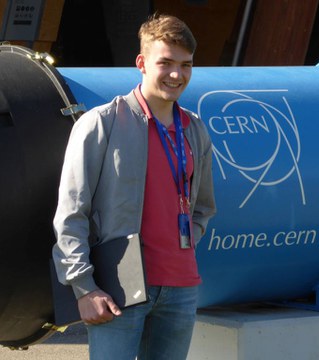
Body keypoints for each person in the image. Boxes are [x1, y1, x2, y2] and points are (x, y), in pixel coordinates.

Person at [52, 13, 216, 360]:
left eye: (186, 65)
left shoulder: (195, 130)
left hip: (181, 287)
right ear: (141, 63)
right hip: (118, 289)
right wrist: (84, 288)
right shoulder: (102, 123)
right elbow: (71, 213)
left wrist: (184, 245)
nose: (177, 75)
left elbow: (203, 206)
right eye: (166, 63)